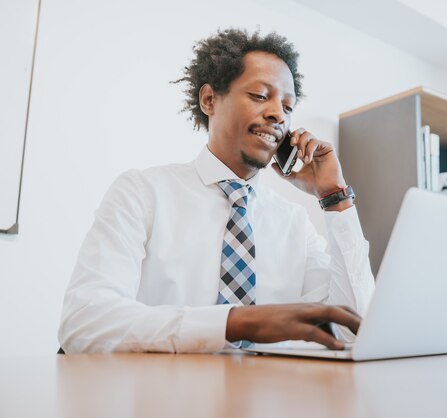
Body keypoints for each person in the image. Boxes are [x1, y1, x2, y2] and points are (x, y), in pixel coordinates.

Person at [58, 28, 375, 354]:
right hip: (162, 399)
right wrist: (235, 323)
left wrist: (335, 197)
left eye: (288, 106)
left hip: (270, 400)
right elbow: (84, 321)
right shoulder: (142, 193)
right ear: (209, 99)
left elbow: (354, 331)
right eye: (260, 96)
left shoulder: (294, 223)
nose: (279, 114)